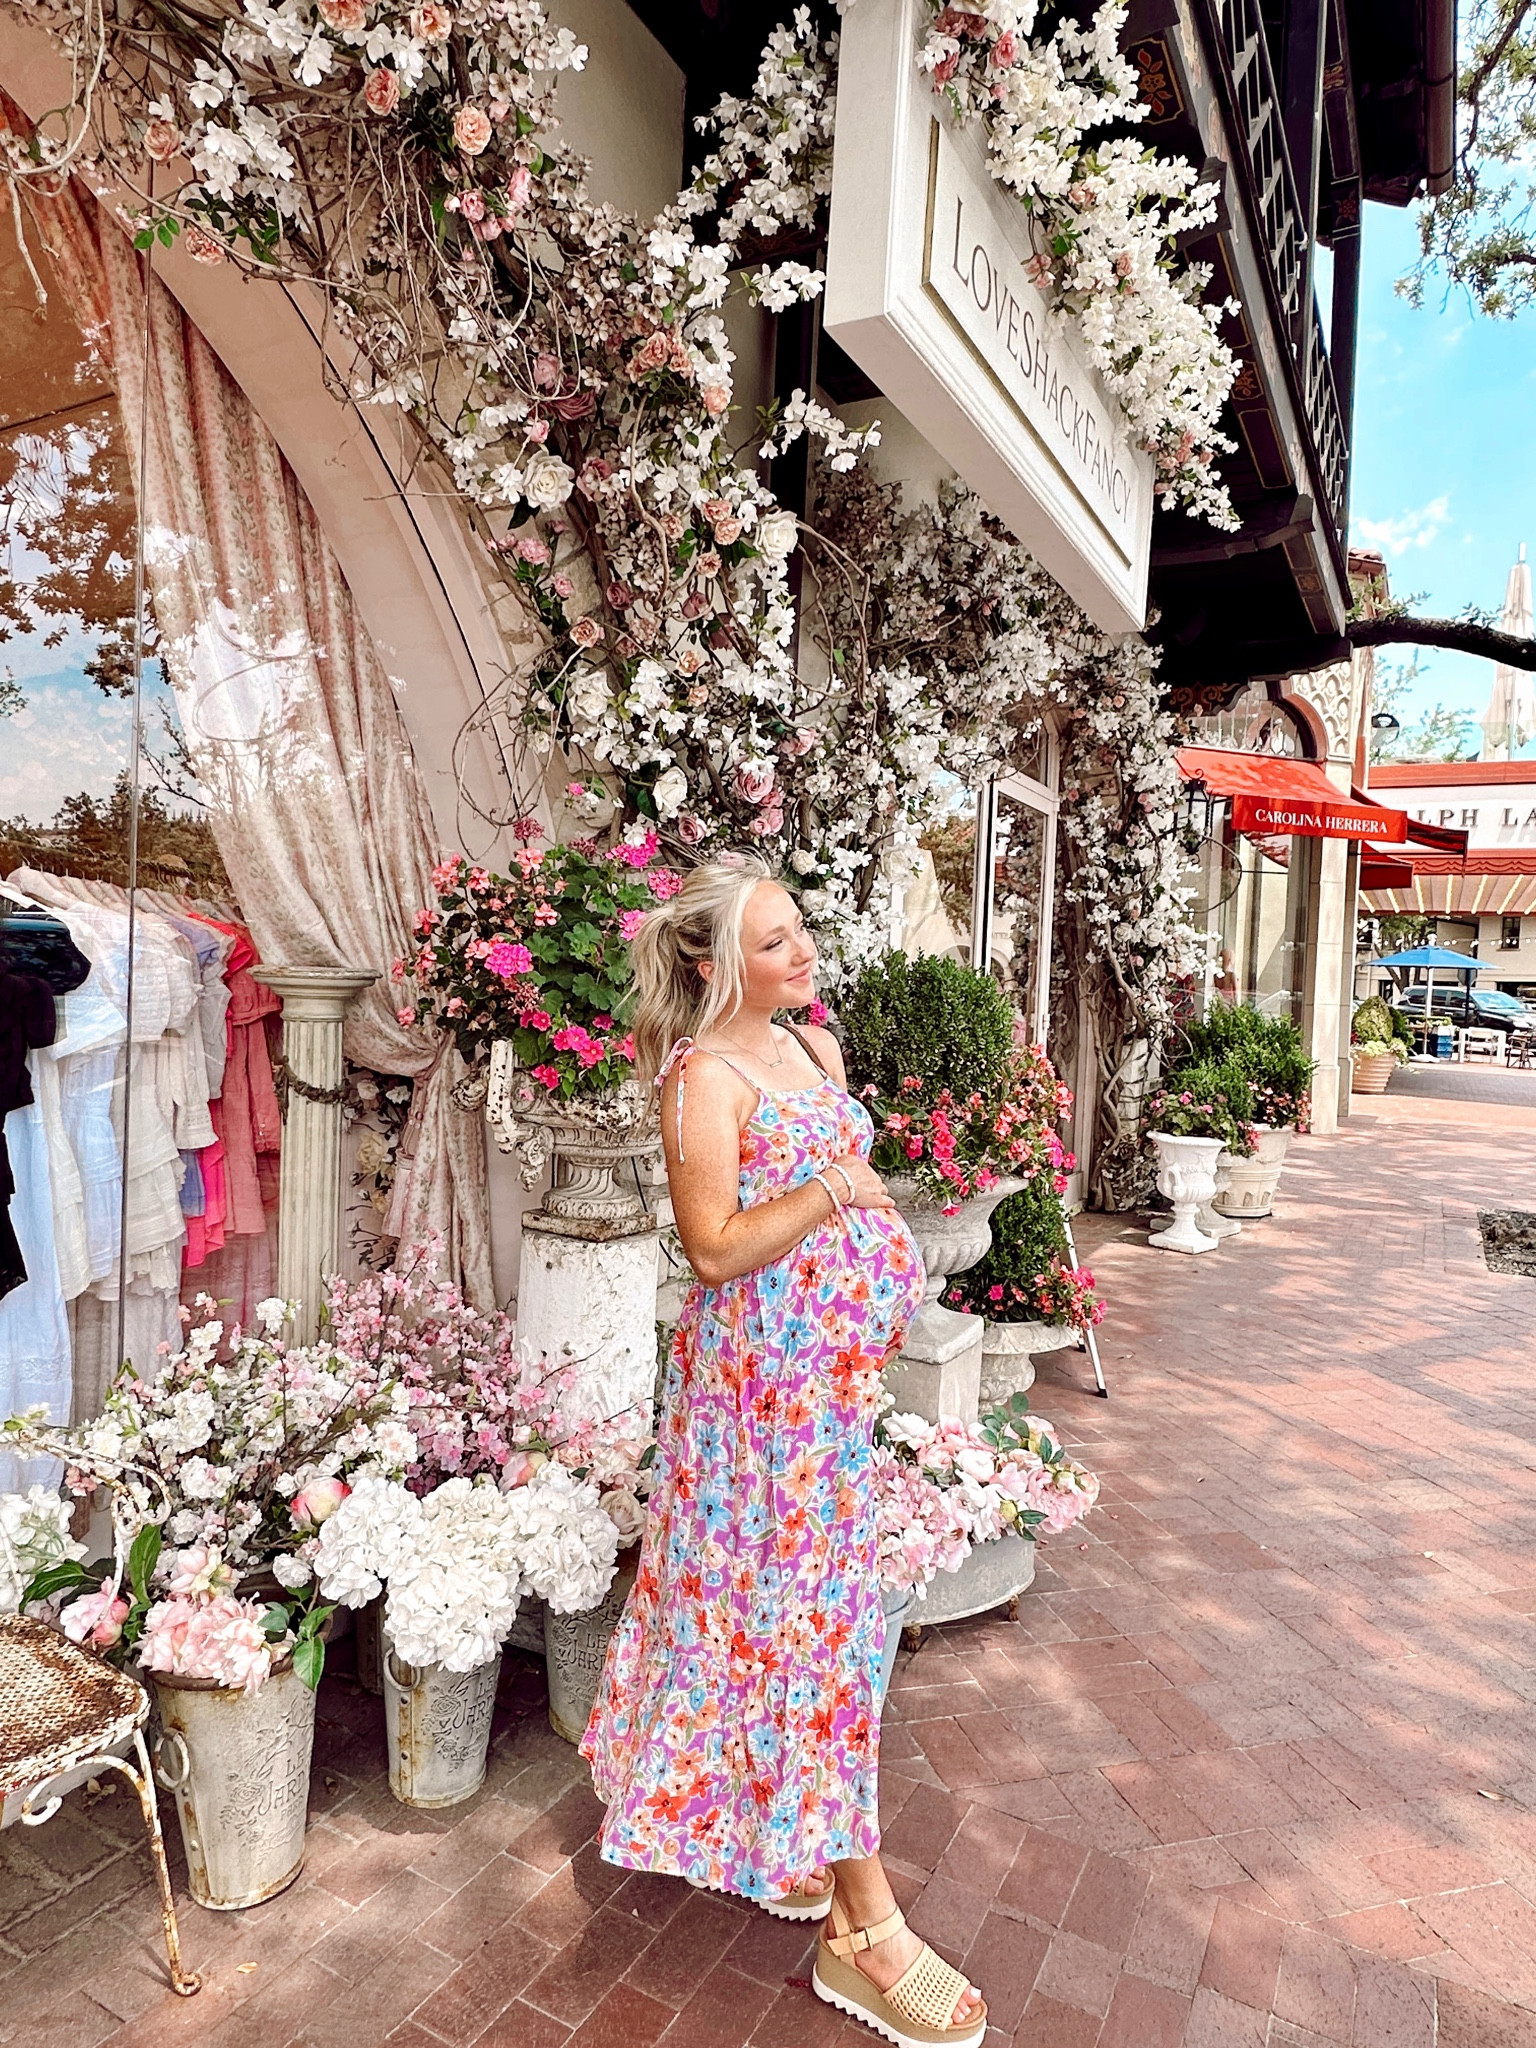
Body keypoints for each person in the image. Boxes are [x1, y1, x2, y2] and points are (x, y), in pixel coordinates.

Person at [581, 855, 988, 2046]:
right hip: (756, 1421)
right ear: (712, 964)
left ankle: (793, 1839)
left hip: (830, 1412)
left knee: (824, 1628)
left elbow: (850, 1203)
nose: (800, 954)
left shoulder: (812, 1048)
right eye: (770, 943)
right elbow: (712, 1248)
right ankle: (864, 1929)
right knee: (802, 1635)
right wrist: (832, 1189)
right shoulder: (700, 1076)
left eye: (798, 929)